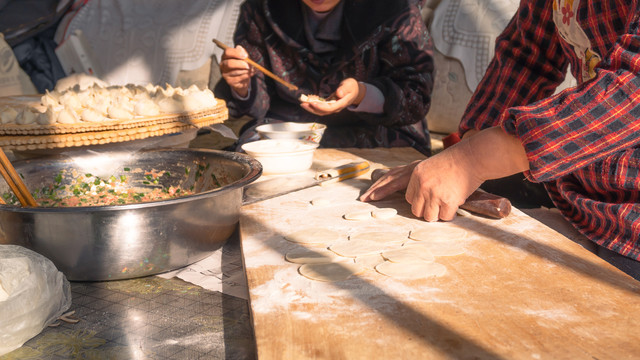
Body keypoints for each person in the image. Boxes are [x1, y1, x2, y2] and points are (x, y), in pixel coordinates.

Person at [360, 0, 640, 279]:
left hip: (632, 229)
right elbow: (528, 57)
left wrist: (472, 160)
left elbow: (633, 87)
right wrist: (463, 151)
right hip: (586, 195)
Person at [216, 0, 434, 155]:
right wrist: (242, 85)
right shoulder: (262, 8)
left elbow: (415, 94)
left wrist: (362, 94)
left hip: (378, 134)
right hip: (288, 131)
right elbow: (256, 104)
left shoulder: (395, 9)